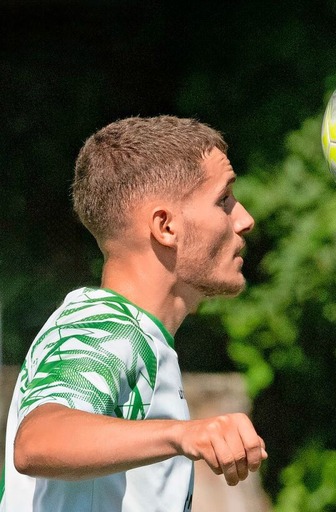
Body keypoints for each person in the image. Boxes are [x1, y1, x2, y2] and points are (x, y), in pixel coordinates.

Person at [0, 115, 267, 512]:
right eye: (223, 200)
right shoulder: (108, 327)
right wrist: (183, 435)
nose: (244, 219)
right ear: (165, 227)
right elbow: (38, 440)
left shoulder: (137, 336)